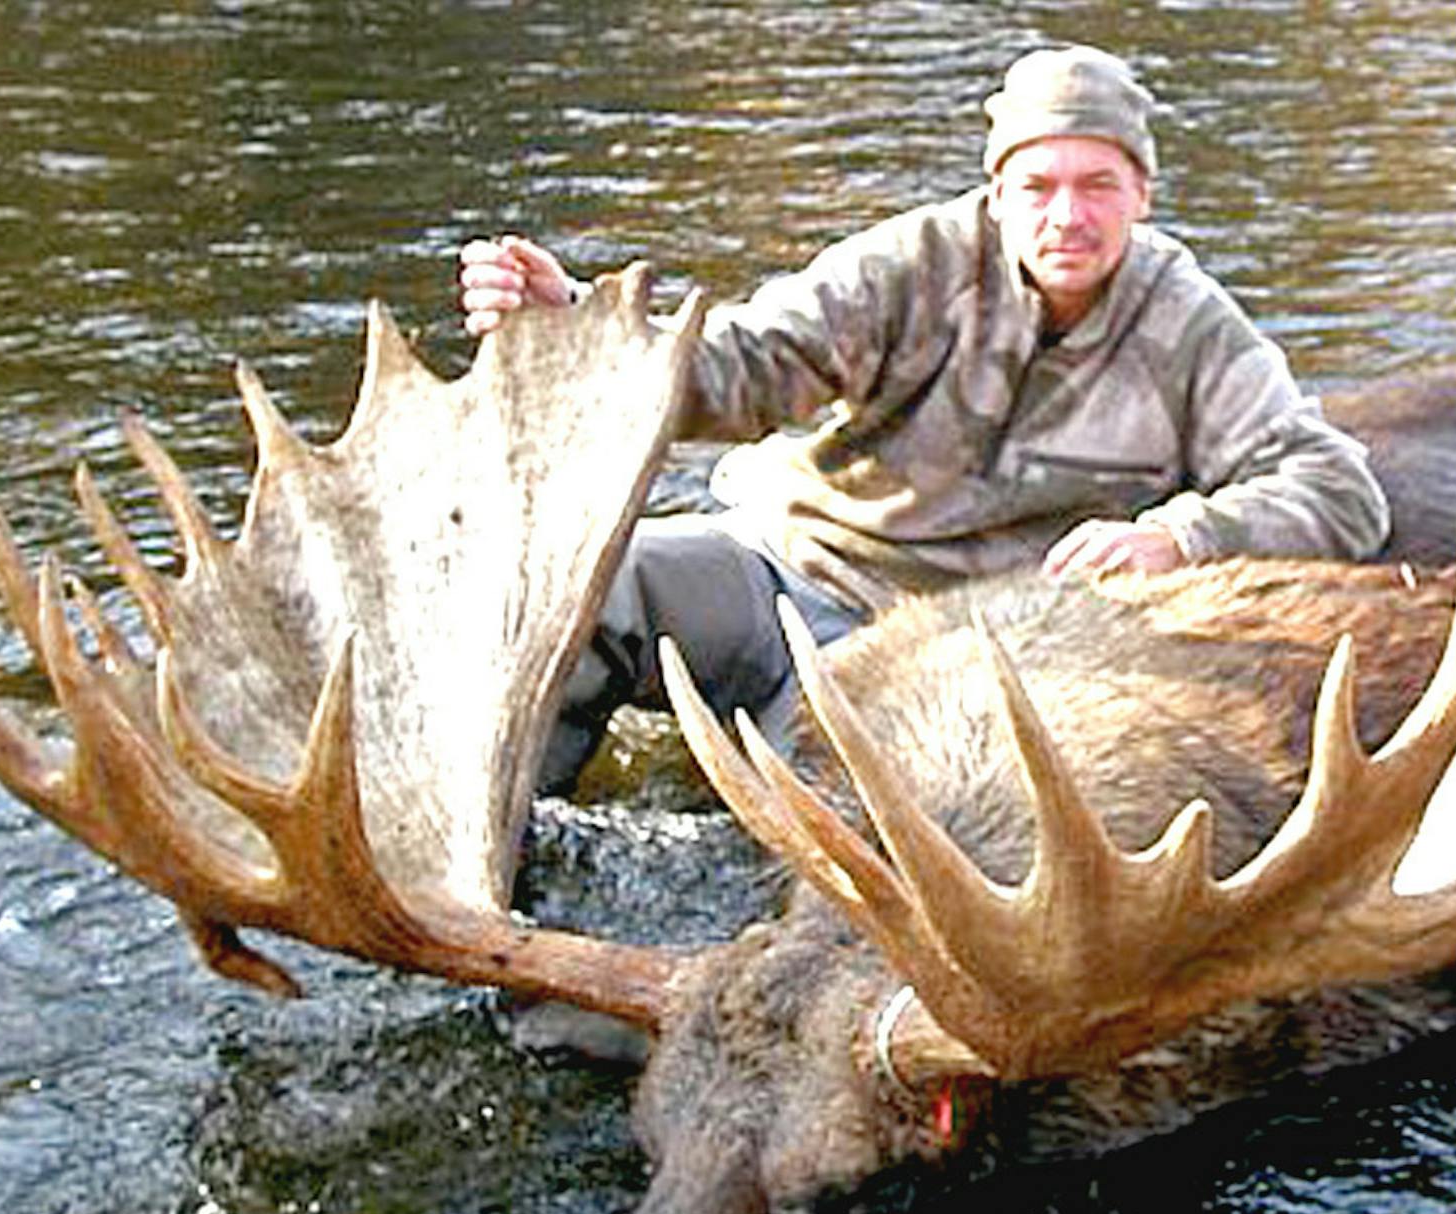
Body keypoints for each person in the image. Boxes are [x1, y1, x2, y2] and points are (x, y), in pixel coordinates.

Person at [459, 44, 1391, 787]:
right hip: (788, 570)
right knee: (577, 586)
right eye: (1039, 186)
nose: (1067, 214)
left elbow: (1338, 490)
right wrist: (578, 326)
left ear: (1142, 195)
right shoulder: (914, 265)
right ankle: (500, 887)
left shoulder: (1187, 324)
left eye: (1098, 185)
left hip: (952, 663)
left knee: (847, 829)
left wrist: (1180, 538)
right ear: (997, 193)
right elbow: (741, 369)